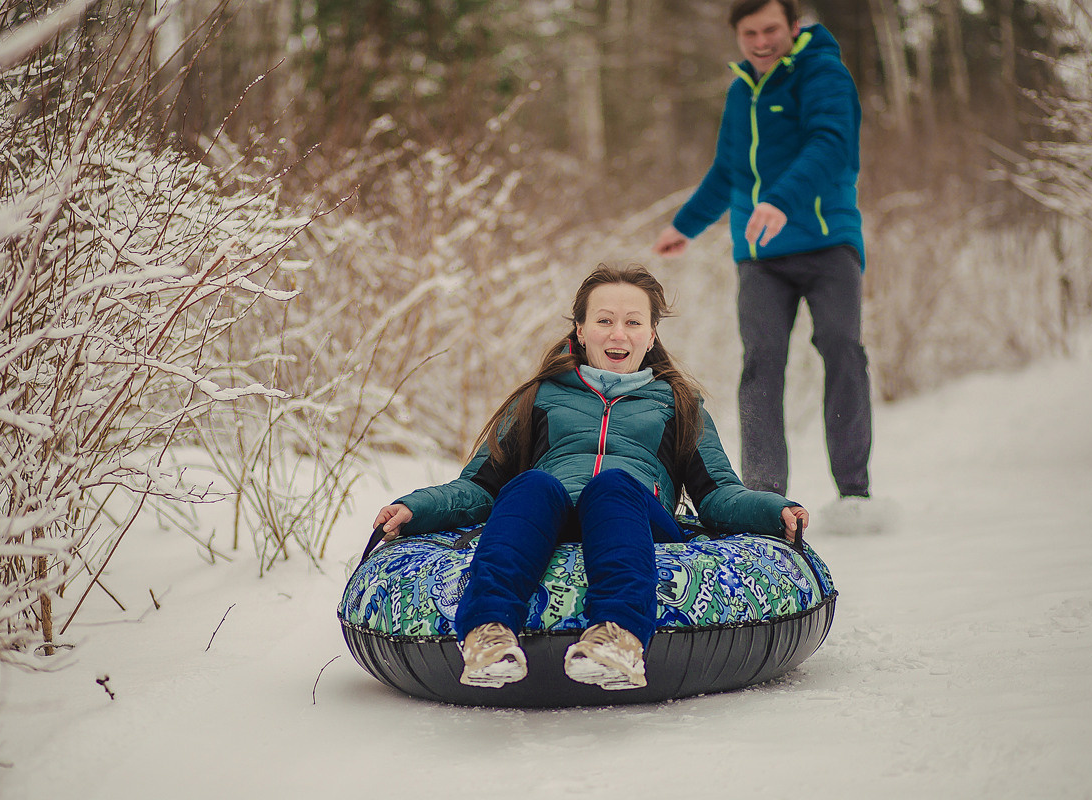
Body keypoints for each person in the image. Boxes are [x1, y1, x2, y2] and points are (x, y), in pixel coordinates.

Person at [372, 264, 808, 691]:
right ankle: (488, 633)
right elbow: (479, 486)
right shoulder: (539, 396)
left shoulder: (678, 402)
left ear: (651, 334)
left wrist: (775, 510)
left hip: (634, 521)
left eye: (633, 322)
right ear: (580, 330)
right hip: (548, 518)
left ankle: (618, 638)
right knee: (531, 484)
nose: (618, 334)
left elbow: (719, 495)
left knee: (613, 485)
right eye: (604, 321)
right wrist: (416, 507)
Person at [652, 0, 873, 504]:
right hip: (761, 256)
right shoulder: (741, 92)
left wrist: (779, 200)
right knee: (761, 363)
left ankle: (854, 492)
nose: (761, 42)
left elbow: (831, 143)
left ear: (794, 27)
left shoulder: (823, 75)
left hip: (827, 244)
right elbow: (730, 171)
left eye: (771, 29)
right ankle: (765, 494)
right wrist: (685, 225)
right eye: (749, 33)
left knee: (842, 349)